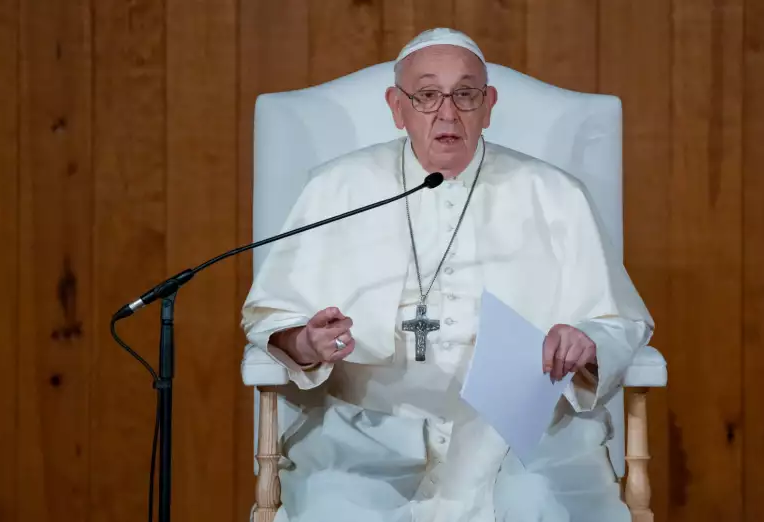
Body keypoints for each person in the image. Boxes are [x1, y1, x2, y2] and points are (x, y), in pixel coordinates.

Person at [241, 27, 654, 522]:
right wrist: (303, 343)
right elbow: (272, 315)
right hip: (367, 436)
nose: (447, 112)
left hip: (524, 437)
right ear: (397, 107)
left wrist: (585, 341)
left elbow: (621, 322)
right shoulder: (338, 188)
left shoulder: (554, 193)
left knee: (540, 505)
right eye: (427, 95)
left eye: (465, 94)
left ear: (488, 104)